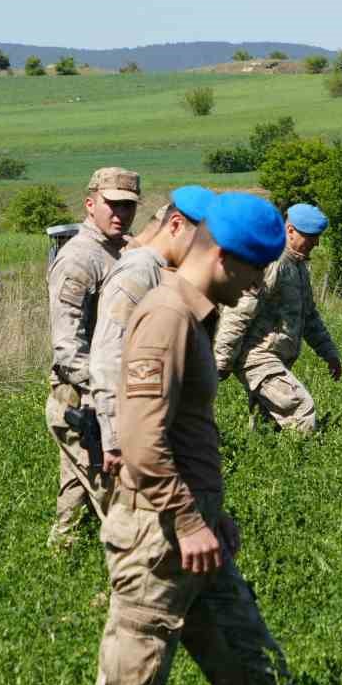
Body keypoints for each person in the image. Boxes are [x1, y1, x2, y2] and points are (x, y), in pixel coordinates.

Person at [75, 192, 292, 685]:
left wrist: (212, 518)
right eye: (255, 270)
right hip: (159, 533)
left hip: (193, 531)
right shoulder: (167, 314)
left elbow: (186, 433)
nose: (259, 286)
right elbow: (143, 441)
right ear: (221, 255)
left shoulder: (194, 314)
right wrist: (190, 521)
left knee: (257, 672)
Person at [46, 167, 141, 549]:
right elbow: (67, 346)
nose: (120, 213)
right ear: (90, 204)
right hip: (82, 397)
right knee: (116, 498)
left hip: (99, 394)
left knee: (77, 488)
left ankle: (60, 561)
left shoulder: (122, 251)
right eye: (112, 205)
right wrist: (107, 390)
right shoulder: (80, 259)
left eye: (128, 206)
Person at [89, 186, 213, 475]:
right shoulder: (140, 271)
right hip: (127, 432)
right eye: (202, 242)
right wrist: (115, 438)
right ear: (176, 224)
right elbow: (109, 354)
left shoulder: (163, 272)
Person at [213, 204, 342, 434]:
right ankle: (307, 466)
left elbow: (309, 317)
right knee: (300, 409)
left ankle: (256, 464)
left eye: (318, 237)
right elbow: (239, 310)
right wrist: (221, 360)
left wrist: (329, 353)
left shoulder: (297, 264)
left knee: (267, 429)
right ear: (290, 230)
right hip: (258, 357)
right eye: (311, 237)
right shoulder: (273, 262)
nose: (316, 243)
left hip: (275, 356)